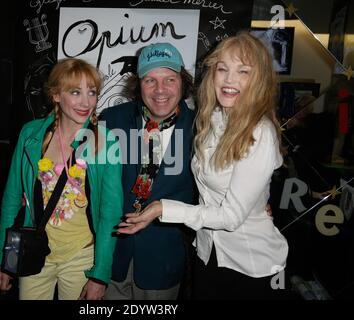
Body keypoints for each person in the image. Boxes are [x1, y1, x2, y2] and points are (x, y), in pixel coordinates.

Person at [118, 32, 290, 300]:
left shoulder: (260, 132)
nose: (230, 79)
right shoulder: (212, 119)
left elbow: (232, 216)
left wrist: (163, 208)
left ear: (258, 80)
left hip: (250, 264)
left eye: (243, 71)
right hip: (207, 253)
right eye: (223, 69)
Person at [0, 58, 123, 300]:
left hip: (81, 257)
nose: (86, 102)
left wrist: (99, 275)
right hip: (34, 250)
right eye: (75, 92)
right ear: (55, 95)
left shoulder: (107, 143)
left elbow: (110, 215)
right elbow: (11, 198)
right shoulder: (30, 134)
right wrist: (4, 256)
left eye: (92, 92)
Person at [100, 42, 197, 300]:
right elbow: (84, 177)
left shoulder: (202, 129)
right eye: (150, 80)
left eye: (169, 79)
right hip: (112, 257)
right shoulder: (110, 120)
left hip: (162, 263)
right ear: (138, 84)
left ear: (182, 82)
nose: (160, 90)